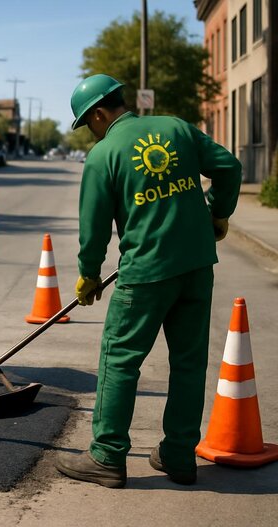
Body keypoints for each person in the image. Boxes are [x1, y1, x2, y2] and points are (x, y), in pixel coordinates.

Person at [55, 74, 242, 488]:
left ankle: (106, 456)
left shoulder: (104, 155)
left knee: (119, 360)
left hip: (145, 274)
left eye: (89, 124)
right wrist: (217, 211)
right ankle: (178, 456)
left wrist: (89, 275)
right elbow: (228, 167)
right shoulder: (176, 127)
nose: (91, 132)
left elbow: (94, 229)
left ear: (99, 114)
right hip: (196, 267)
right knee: (189, 363)